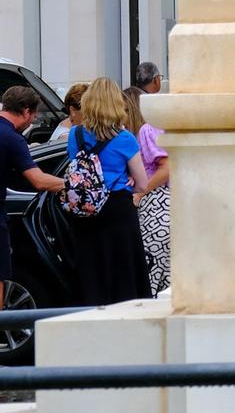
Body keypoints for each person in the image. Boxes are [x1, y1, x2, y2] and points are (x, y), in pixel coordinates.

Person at [63, 78, 158, 303]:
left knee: (91, 269)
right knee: (123, 270)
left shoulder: (75, 135)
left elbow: (75, 168)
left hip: (85, 210)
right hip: (117, 208)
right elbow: (143, 183)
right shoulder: (124, 139)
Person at [0, 87, 66, 301]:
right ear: (26, 111)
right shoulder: (12, 138)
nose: (35, 119)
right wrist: (74, 184)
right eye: (35, 114)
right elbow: (38, 180)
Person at [124, 86, 171, 295]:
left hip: (157, 209)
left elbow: (167, 167)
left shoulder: (146, 131)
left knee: (150, 275)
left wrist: (141, 191)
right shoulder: (157, 128)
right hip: (166, 209)